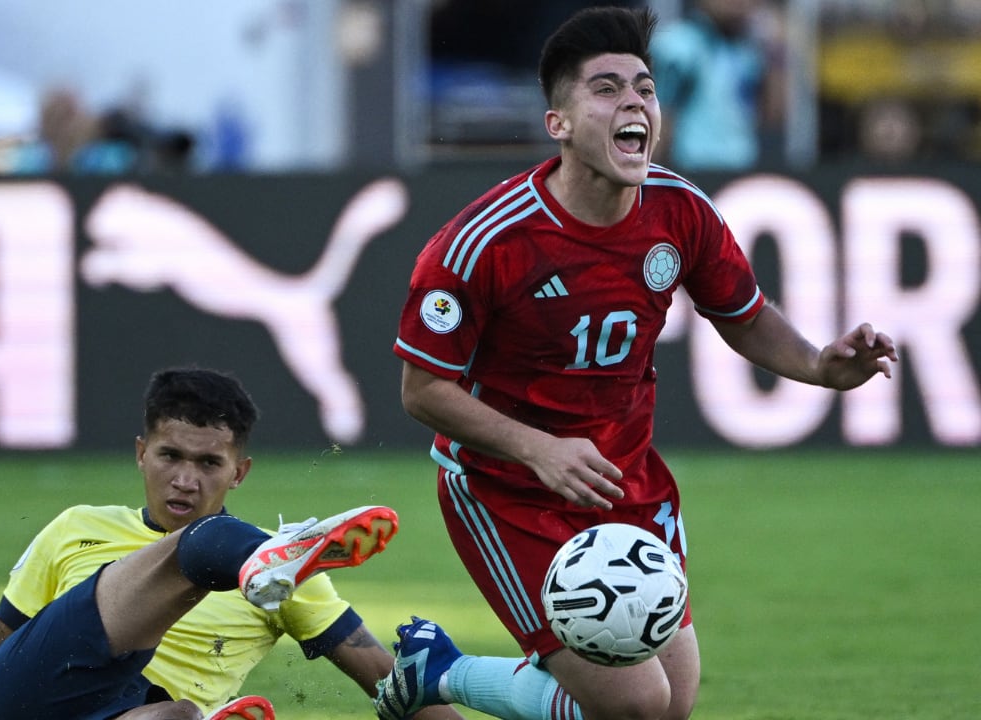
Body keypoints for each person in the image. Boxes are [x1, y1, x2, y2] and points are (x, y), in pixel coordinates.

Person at [378, 6, 896, 720]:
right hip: (509, 491)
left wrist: (818, 364)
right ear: (558, 123)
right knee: (635, 704)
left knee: (670, 706)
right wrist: (539, 449)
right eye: (607, 88)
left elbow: (744, 315)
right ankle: (443, 671)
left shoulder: (679, 210)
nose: (634, 103)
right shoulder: (484, 242)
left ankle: (437, 670)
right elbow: (422, 389)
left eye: (645, 89)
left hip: (625, 482)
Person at [0, 367, 463, 720]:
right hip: (25, 697)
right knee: (208, 540)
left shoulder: (297, 585)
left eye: (208, 463)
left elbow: (392, 684)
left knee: (179, 714)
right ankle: (245, 556)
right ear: (141, 453)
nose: (185, 480)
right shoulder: (77, 527)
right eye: (170, 456)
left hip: (142, 712)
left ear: (239, 472)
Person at [649, 0, 784, 171]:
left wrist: (776, 52)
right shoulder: (677, 45)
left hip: (742, 170)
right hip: (694, 170)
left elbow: (773, 116)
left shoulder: (752, 50)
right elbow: (660, 119)